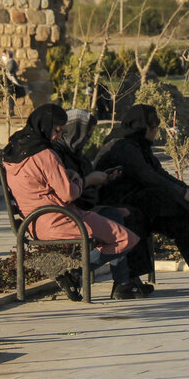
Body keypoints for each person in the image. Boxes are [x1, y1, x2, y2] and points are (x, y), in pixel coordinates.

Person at [2, 104, 147, 300]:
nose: (57, 136)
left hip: (33, 222)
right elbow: (68, 195)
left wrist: (69, 175)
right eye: (56, 130)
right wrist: (82, 181)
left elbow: (38, 182)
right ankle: (75, 274)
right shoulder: (46, 154)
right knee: (126, 239)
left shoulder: (13, 150)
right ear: (44, 126)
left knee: (116, 217)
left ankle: (106, 281)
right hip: (60, 218)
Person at [94, 104, 189, 294]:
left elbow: (159, 173)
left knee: (180, 220)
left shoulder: (139, 146)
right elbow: (148, 176)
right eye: (154, 128)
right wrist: (187, 195)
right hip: (117, 206)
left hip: (142, 205)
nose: (156, 132)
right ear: (144, 129)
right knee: (157, 199)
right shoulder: (122, 146)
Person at [52, 109, 154, 293]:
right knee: (117, 219)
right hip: (65, 213)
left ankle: (126, 281)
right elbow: (66, 191)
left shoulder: (76, 154)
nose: (88, 140)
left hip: (80, 208)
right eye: (87, 135)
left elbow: (81, 185)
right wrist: (90, 180)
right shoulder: (57, 155)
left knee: (130, 213)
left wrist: (103, 179)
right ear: (76, 132)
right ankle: (111, 280)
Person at [1, 49, 28, 114]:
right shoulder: (8, 62)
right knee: (8, 96)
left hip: (11, 81)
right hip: (7, 80)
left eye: (4, 55)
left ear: (7, 55)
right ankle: (9, 110)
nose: (2, 56)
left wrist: (3, 70)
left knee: (11, 96)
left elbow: (9, 70)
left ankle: (11, 110)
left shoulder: (11, 61)